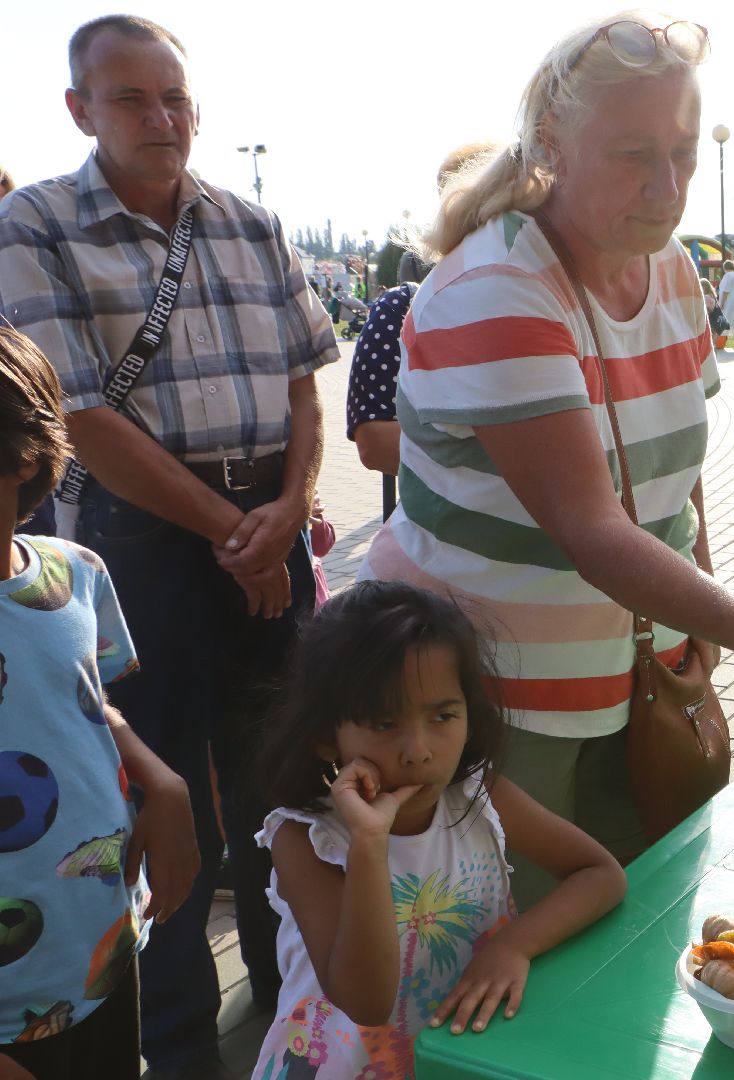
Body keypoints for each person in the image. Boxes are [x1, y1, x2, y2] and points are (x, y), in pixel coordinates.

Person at [361, 14, 734, 905]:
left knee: (646, 921)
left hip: (641, 676)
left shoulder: (664, 269)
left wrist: (693, 618)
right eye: (634, 154)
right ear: (551, 140)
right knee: (530, 956)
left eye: (686, 152)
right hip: (498, 699)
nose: (669, 187)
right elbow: (591, 528)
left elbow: (677, 474)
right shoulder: (499, 288)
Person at [0, 16, 337, 1078]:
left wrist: (290, 503)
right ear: (79, 111)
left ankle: (300, 1015)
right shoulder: (35, 223)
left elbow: (302, 381)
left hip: (261, 528)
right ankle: (183, 1044)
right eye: (132, 98)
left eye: (176, 98)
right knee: (152, 793)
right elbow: (80, 418)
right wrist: (239, 528)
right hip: (134, 540)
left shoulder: (251, 221)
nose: (162, 117)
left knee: (286, 783)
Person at [251, 582, 625, 1077]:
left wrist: (514, 946)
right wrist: (369, 843)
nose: (419, 750)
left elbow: (600, 874)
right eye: (384, 724)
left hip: (464, 1055)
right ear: (326, 737)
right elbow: (366, 1002)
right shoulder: (305, 839)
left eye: (443, 715)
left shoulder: (476, 792)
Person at [0, 327, 198, 1080]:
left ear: (23, 455)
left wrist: (163, 782)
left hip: (99, 949)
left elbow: (84, 703)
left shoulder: (74, 573)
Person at [347, 142, 499, 480]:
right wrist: (514, 452)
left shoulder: (547, 297)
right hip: (443, 523)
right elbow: (373, 443)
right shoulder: (402, 308)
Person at [716, 258, 734, 349]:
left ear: (725, 268)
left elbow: (725, 291)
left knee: (723, 322)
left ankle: (716, 343)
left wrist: (721, 303)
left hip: (729, 303)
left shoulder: (727, 276)